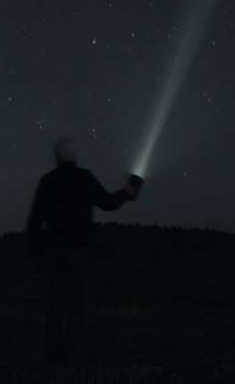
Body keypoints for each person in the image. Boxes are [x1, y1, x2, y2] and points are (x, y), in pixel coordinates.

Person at [26, 138, 142, 363]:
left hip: (55, 252)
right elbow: (107, 203)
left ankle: (51, 359)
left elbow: (34, 222)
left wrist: (36, 255)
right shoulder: (84, 177)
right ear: (74, 156)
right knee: (77, 308)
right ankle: (68, 360)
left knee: (56, 308)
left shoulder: (47, 181)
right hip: (78, 251)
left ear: (57, 157)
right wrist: (126, 192)